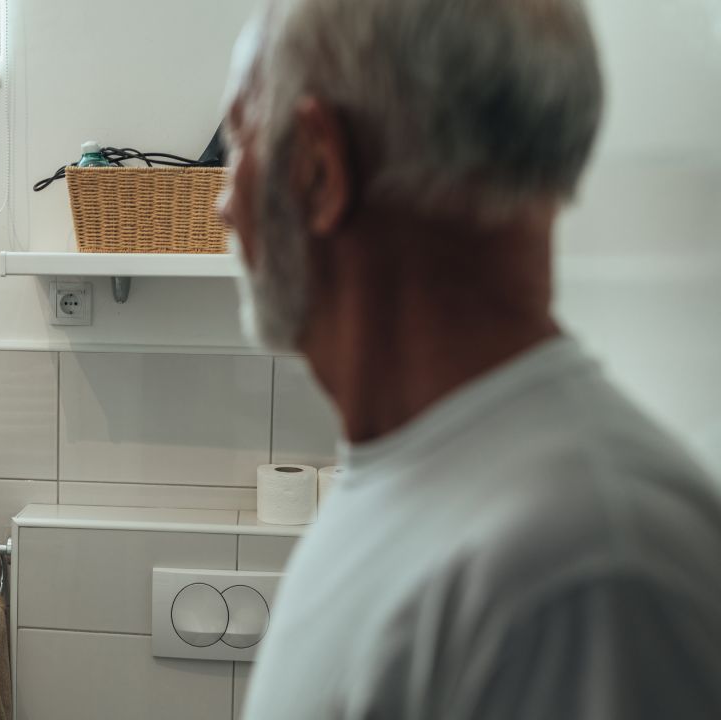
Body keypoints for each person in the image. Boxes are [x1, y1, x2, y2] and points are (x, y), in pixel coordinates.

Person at [218, 0, 721, 717]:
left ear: (320, 172)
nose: (223, 203)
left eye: (242, 140)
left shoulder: (581, 579)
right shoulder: (417, 483)